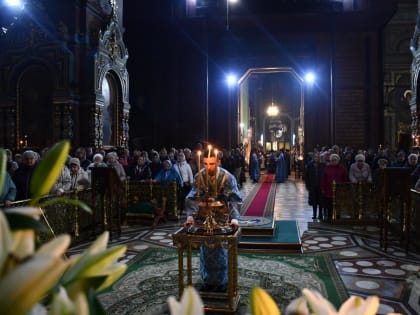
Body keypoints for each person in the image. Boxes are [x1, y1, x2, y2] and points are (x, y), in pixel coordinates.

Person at [183, 149, 242, 292]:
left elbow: (235, 200)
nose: (208, 167)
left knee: (221, 250)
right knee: (206, 249)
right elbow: (192, 196)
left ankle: (223, 282)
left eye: (212, 163)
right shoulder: (199, 176)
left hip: (222, 219)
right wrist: (191, 216)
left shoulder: (227, 177)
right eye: (205, 163)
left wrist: (234, 219)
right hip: (204, 219)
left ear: (218, 162)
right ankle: (207, 280)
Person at [321, 153, 348, 222]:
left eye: (335, 160)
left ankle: (338, 216)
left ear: (338, 161)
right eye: (332, 160)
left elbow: (345, 179)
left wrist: (344, 188)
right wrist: (323, 189)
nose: (334, 162)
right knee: (329, 204)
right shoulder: (327, 168)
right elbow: (323, 179)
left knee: (338, 203)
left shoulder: (342, 168)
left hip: (339, 189)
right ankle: (329, 216)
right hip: (328, 189)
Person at [304, 152, 325, 220]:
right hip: (312, 185)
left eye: (317, 157)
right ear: (313, 158)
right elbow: (306, 176)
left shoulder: (322, 165)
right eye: (315, 157)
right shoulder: (310, 165)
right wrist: (307, 185)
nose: (316, 158)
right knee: (314, 201)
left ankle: (320, 214)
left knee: (321, 200)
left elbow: (324, 176)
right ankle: (314, 214)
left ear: (319, 158)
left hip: (320, 185)